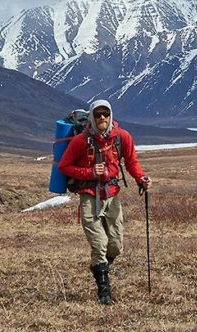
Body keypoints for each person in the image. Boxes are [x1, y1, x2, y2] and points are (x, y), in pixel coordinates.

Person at [58, 99, 150, 304]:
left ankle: (98, 268)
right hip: (89, 196)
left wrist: (141, 178)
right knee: (99, 244)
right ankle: (104, 291)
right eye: (98, 114)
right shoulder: (81, 141)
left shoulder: (122, 137)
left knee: (116, 245)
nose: (102, 118)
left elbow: (132, 162)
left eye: (105, 114)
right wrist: (89, 172)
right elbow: (64, 166)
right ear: (92, 116)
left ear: (110, 115)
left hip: (112, 195)